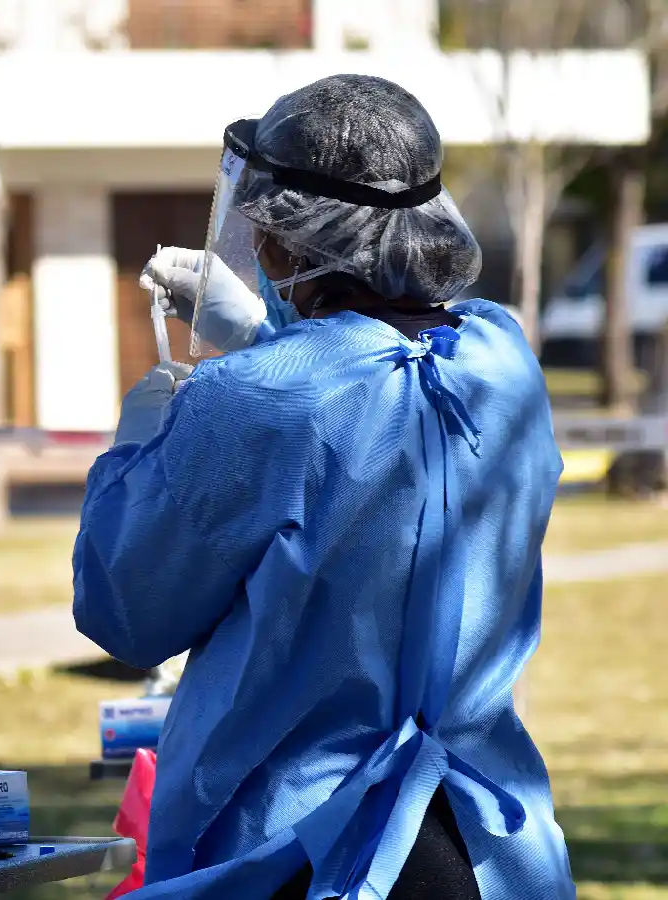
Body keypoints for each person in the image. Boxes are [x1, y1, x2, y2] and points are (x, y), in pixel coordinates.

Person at [72, 74, 572, 900]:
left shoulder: (249, 402)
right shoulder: (501, 358)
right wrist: (264, 334)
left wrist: (135, 451)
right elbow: (378, 388)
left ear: (284, 242)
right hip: (485, 850)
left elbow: (125, 612)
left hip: (302, 854)